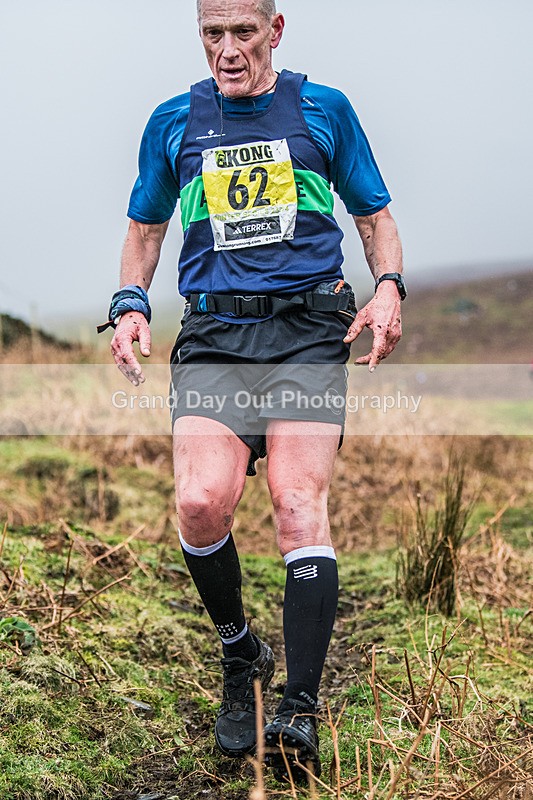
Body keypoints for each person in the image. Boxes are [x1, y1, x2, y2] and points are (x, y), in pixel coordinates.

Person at [102, 0, 404, 781]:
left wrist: (388, 288)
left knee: (296, 499)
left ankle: (298, 707)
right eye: (212, 34)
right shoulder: (173, 120)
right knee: (202, 502)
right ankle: (242, 653)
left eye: (242, 32)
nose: (227, 50)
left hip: (306, 331)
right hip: (215, 338)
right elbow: (145, 229)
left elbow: (373, 215)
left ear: (275, 30)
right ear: (199, 33)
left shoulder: (322, 109)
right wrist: (130, 304)